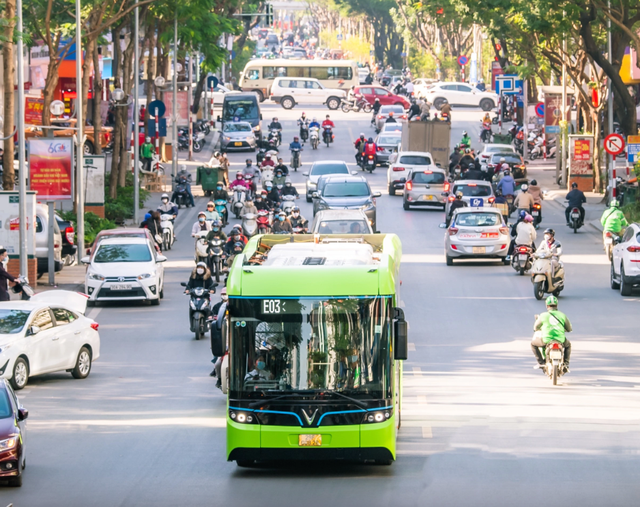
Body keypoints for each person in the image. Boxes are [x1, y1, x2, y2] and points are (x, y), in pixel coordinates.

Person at [531, 295, 572, 371]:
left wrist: (539, 329)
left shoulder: (543, 315)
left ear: (547, 305)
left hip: (546, 340)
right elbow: (569, 328)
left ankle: (541, 362)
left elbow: (535, 327)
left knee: (533, 344)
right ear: (557, 305)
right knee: (568, 345)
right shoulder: (562, 315)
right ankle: (566, 364)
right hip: (560, 340)